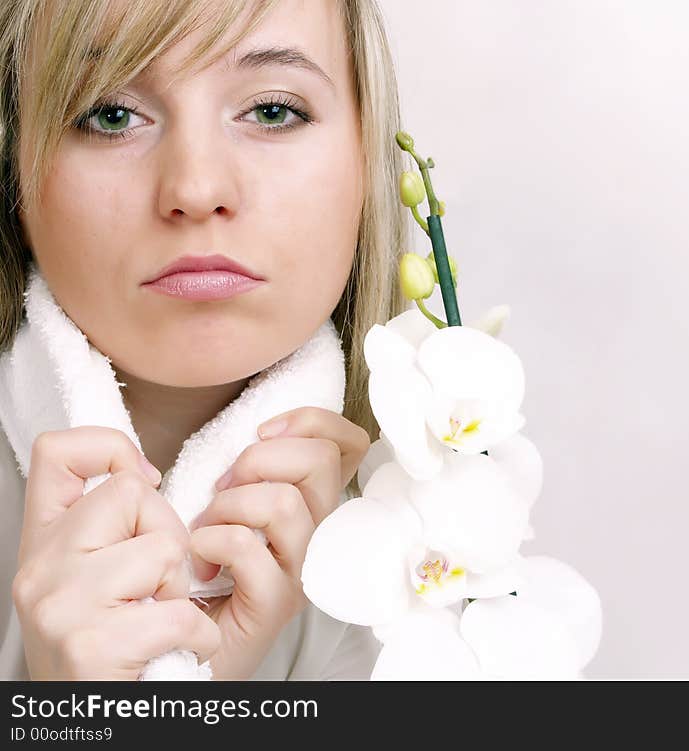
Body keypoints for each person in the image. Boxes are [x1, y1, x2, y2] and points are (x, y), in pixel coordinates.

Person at [0, 0, 410, 680]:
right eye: (111, 113)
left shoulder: (439, 548)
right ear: (14, 168)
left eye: (273, 110)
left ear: (366, 156)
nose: (196, 187)